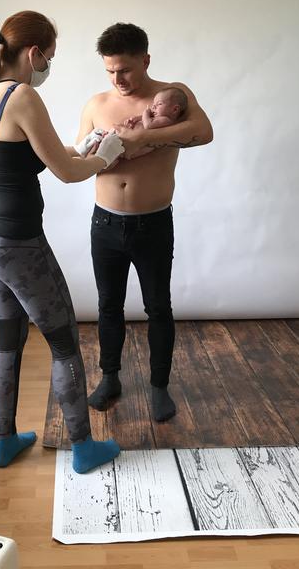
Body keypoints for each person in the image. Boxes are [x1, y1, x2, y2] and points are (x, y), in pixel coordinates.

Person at [0, 10, 124, 473]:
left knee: (9, 335)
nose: (48, 66)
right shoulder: (23, 95)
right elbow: (66, 174)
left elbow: (40, 153)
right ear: (33, 54)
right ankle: (84, 448)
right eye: (49, 57)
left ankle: (5, 441)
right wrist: (103, 158)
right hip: (16, 244)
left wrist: (83, 146)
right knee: (64, 340)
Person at [75, 22, 213, 421]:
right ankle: (109, 378)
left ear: (146, 60)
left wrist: (143, 138)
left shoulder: (171, 97)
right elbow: (80, 158)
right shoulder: (96, 104)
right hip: (105, 223)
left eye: (125, 70)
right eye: (110, 71)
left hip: (152, 223)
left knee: (158, 307)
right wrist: (101, 151)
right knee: (108, 306)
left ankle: (159, 386)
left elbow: (204, 131)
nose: (117, 79)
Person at [77, 85, 188, 160]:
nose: (153, 107)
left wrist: (145, 113)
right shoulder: (157, 117)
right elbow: (146, 120)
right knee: (103, 138)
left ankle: (92, 145)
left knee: (108, 147)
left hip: (131, 149)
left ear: (175, 109)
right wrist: (136, 119)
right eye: (154, 104)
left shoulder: (166, 120)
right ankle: (86, 146)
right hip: (125, 143)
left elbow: (148, 125)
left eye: (159, 104)